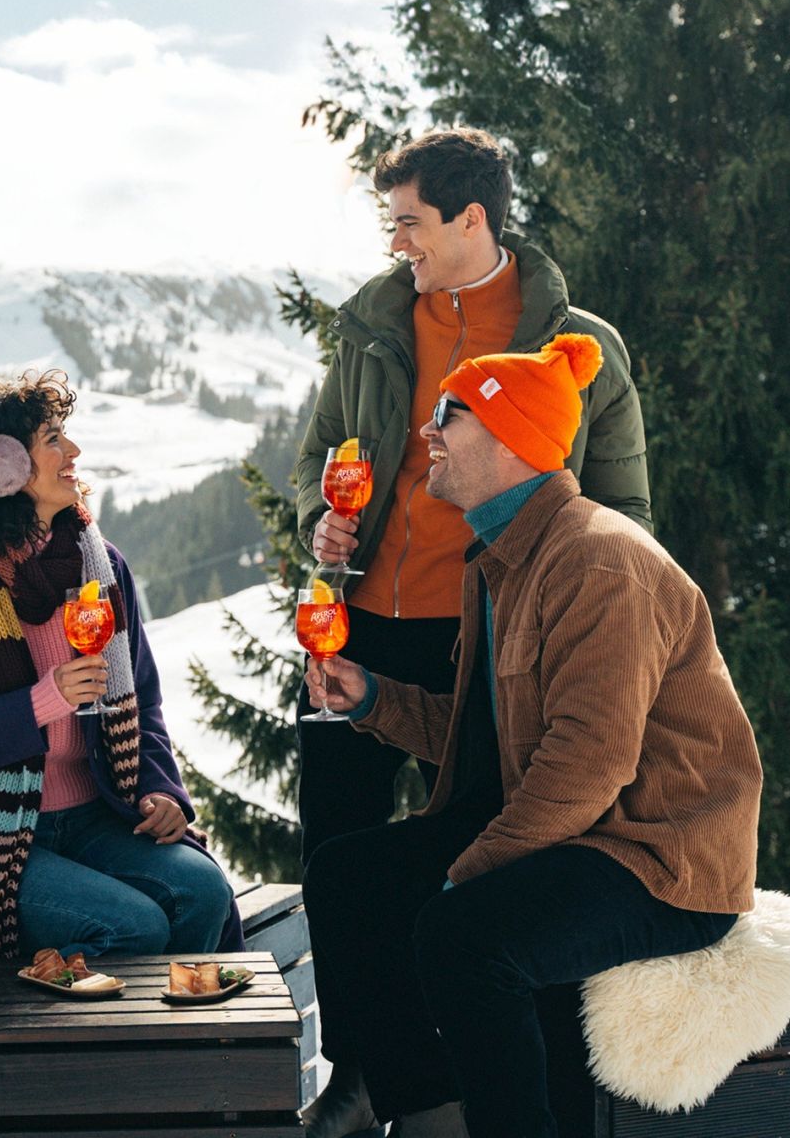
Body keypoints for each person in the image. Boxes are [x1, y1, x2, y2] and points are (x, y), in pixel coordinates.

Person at [299, 335, 763, 1138]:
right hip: (579, 826)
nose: (427, 432)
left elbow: (589, 764)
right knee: (349, 873)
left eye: (450, 412)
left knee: (467, 934)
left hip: (655, 856)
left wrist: (470, 871)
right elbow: (492, 736)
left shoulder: (596, 563)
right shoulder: (506, 560)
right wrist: (372, 697)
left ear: (512, 435)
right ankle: (426, 1105)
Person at [295, 127, 652, 1133]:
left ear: (471, 218)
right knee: (342, 854)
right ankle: (369, 1078)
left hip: (494, 641)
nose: (396, 241)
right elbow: (315, 457)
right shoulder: (371, 327)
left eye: (409, 220)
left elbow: (622, 508)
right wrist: (318, 517)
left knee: (500, 860)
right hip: (363, 628)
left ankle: (504, 1084)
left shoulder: (575, 344)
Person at [0, 371, 243, 963]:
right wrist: (40, 702)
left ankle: (172, 1051)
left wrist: (159, 788)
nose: (73, 452)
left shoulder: (100, 567)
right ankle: (80, 1046)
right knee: (136, 928)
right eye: (53, 439)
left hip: (98, 815)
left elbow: (142, 702)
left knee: (203, 893)